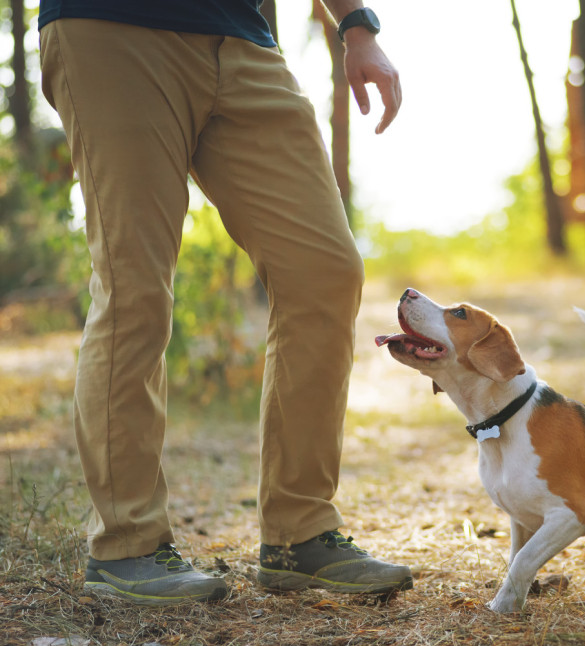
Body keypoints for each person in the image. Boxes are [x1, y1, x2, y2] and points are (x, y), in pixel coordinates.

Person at [38, 0, 411, 605]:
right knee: (135, 285)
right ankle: (126, 545)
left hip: (241, 38)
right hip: (112, 28)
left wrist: (357, 25)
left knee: (324, 271)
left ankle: (300, 534)